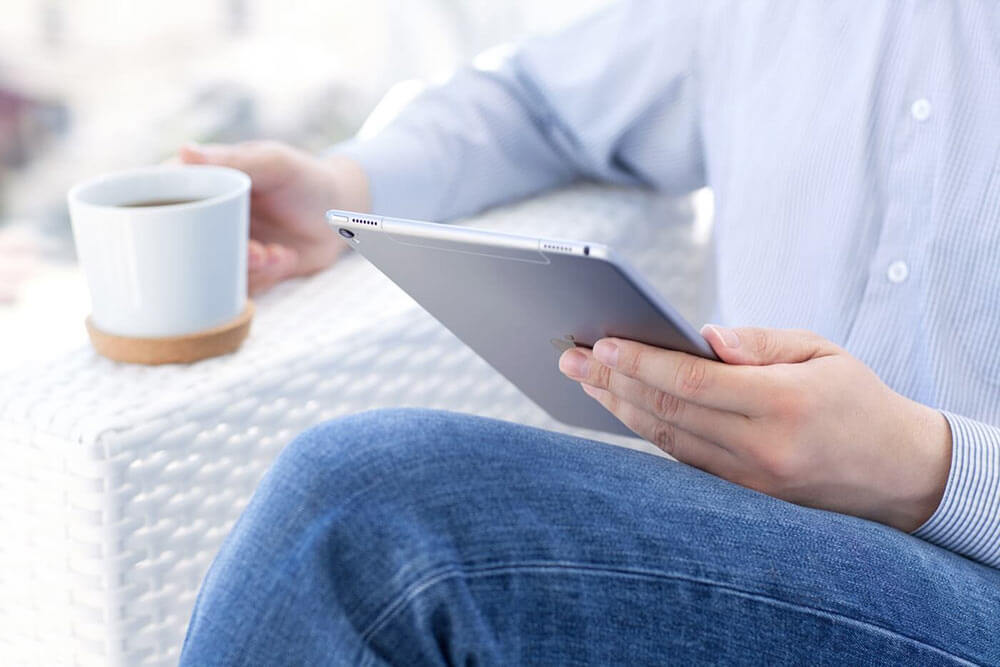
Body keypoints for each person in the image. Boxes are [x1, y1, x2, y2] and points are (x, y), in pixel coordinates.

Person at [179, 2, 1000, 663]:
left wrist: (921, 465)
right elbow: (537, 99)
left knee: (368, 517)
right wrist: (340, 187)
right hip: (759, 538)